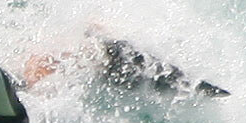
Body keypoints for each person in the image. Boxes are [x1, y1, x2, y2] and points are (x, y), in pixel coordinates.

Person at [22, 25, 230, 97]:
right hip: (115, 61)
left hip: (117, 60)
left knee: (95, 48)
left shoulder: (95, 47)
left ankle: (198, 87)